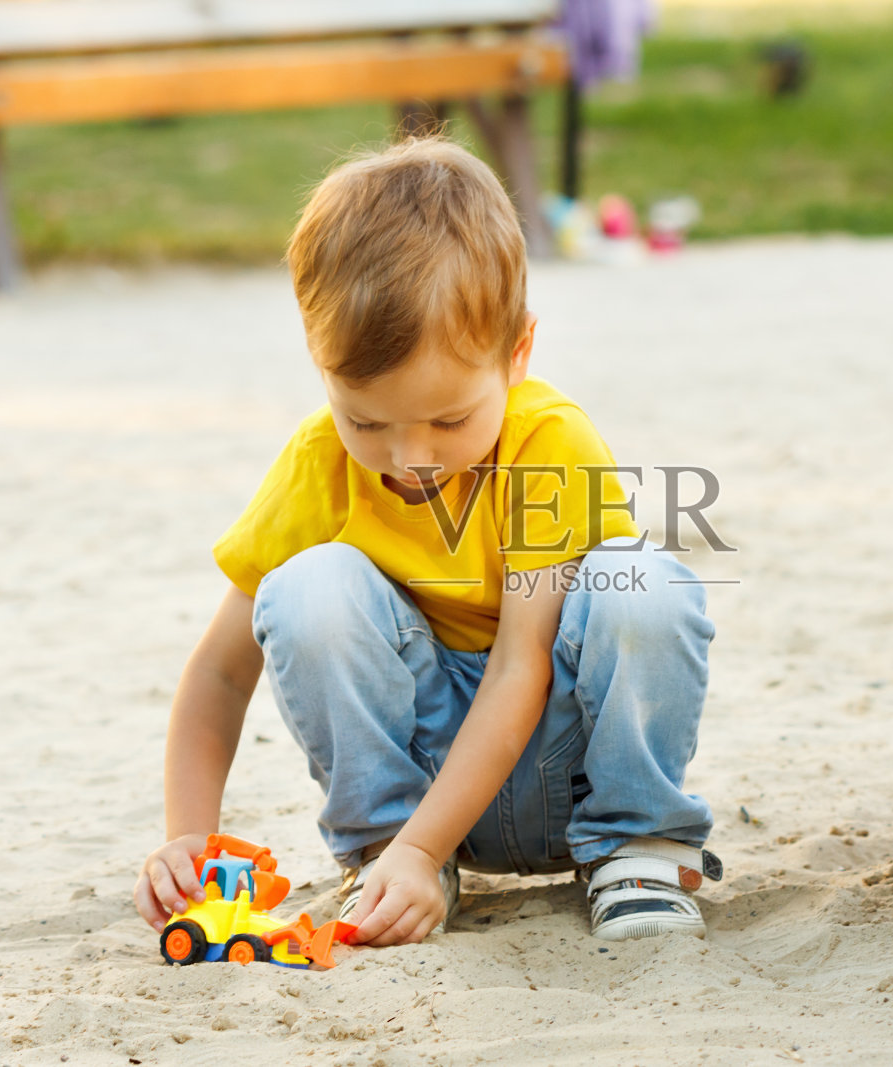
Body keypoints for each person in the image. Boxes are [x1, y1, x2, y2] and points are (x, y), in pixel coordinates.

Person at [133, 136, 718, 946]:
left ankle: (640, 849)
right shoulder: (319, 462)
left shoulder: (549, 442)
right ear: (321, 364)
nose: (409, 458)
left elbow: (522, 665)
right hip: (419, 795)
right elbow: (222, 669)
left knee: (642, 581)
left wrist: (424, 845)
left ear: (516, 356)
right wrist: (187, 835)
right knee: (308, 588)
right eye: (367, 420)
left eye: (449, 419)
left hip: (570, 777)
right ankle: (386, 858)